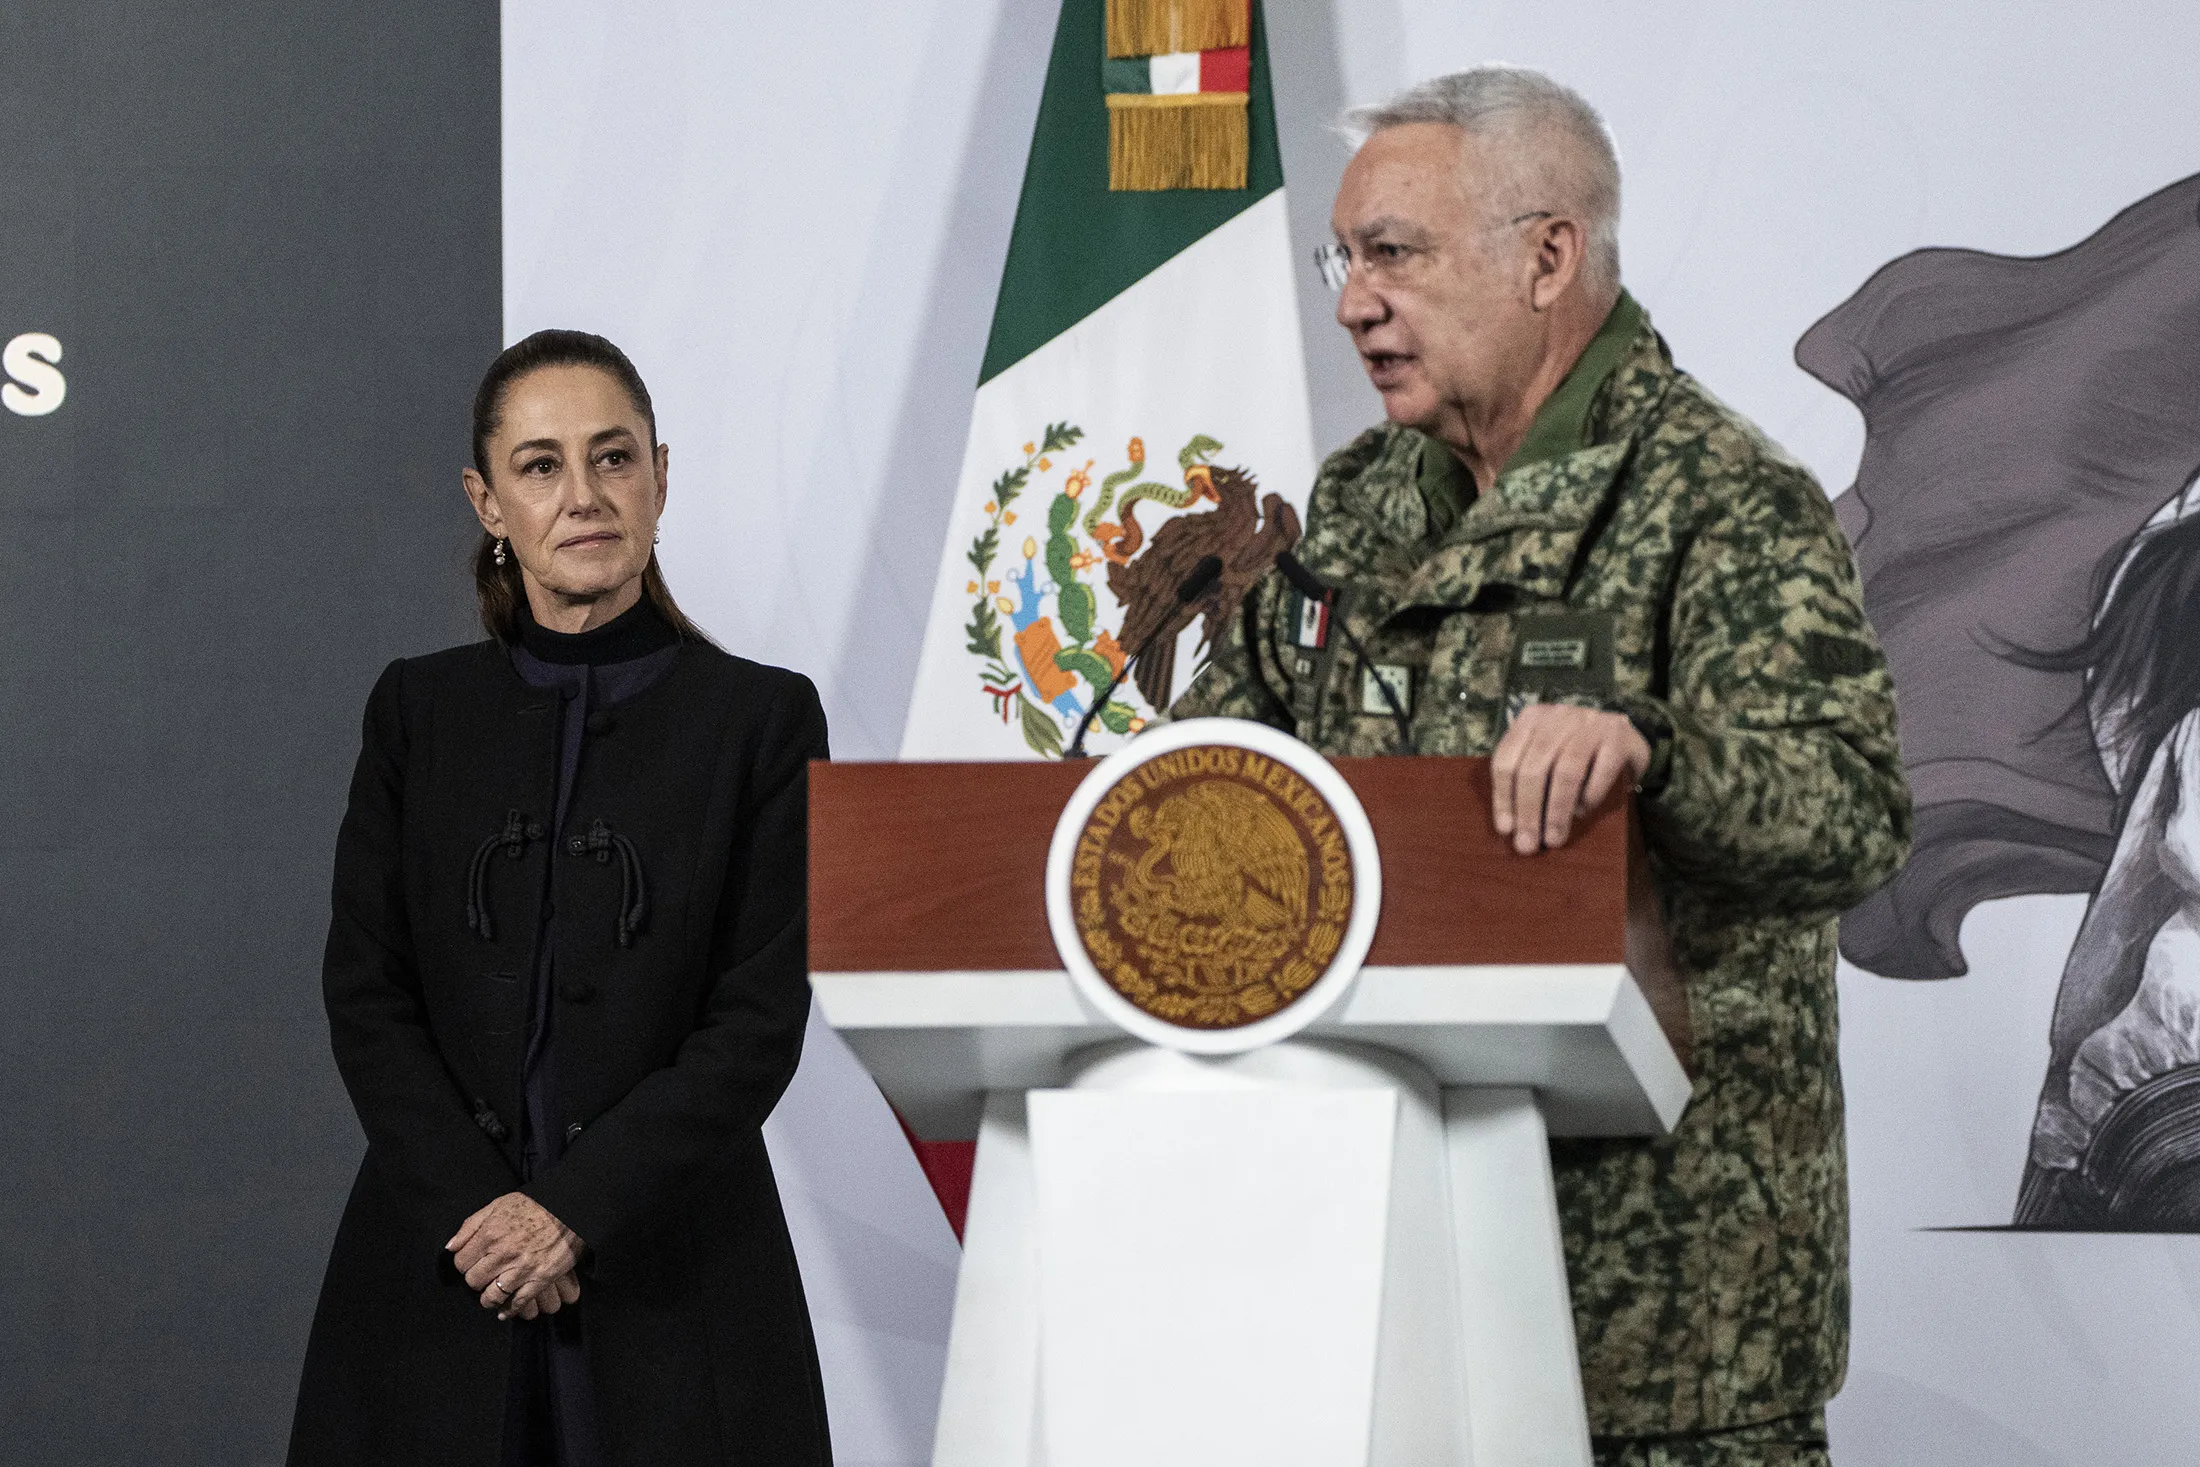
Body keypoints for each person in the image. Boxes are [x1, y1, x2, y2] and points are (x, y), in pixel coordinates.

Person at [1169, 69, 1911, 1465]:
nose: (1351, 301)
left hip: (1666, 1320)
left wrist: (1656, 754)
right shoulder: (1359, 502)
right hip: (1389, 1279)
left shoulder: (1719, 497)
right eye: (1346, 257)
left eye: (1394, 252)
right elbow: (1220, 753)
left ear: (1547, 256)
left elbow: (1851, 810)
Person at [288, 330, 833, 1466]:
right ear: (489, 503)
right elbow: (366, 996)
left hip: (677, 1277)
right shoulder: (415, 714)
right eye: (540, 467)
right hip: (439, 1266)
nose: (582, 497)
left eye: (614, 458)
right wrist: (486, 1224)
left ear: (663, 476)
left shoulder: (764, 724)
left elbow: (757, 1019)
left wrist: (572, 1212)